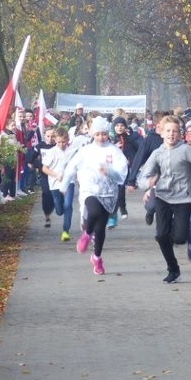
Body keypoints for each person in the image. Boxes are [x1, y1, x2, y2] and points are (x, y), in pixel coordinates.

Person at [137, 115, 191, 283]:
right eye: (168, 131)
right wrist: (147, 183)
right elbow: (144, 175)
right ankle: (173, 269)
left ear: (181, 134)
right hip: (162, 196)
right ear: (161, 133)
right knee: (161, 236)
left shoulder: (187, 151)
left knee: (179, 238)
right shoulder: (157, 153)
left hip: (183, 198)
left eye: (175, 131)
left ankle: (171, 238)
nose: (171, 134)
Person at [59, 116, 128, 275]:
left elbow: (122, 173)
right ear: (92, 134)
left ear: (108, 134)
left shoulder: (114, 151)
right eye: (97, 134)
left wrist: (109, 171)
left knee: (101, 228)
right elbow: (72, 167)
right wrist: (64, 185)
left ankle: (97, 257)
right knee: (94, 211)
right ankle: (87, 233)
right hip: (89, 189)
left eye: (103, 134)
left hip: (109, 193)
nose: (101, 137)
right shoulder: (85, 150)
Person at [41, 127, 75, 242]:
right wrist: (55, 175)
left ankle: (66, 231)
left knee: (68, 205)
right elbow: (44, 168)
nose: (61, 144)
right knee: (59, 210)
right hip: (55, 184)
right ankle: (58, 208)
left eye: (63, 142)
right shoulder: (51, 152)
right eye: (59, 141)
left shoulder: (72, 151)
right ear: (55, 140)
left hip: (69, 182)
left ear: (68, 140)